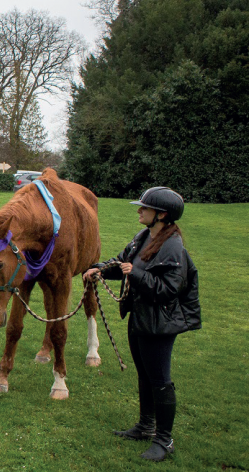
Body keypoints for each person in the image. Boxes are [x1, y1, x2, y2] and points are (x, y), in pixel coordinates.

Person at [82, 187, 200, 462]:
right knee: (144, 375)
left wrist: (135, 275)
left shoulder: (174, 248)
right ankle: (146, 426)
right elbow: (123, 262)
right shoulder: (145, 236)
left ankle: (164, 439)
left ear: (162, 215)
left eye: (144, 208)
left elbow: (168, 290)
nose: (139, 210)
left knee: (160, 381)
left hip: (160, 324)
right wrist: (99, 268)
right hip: (140, 317)